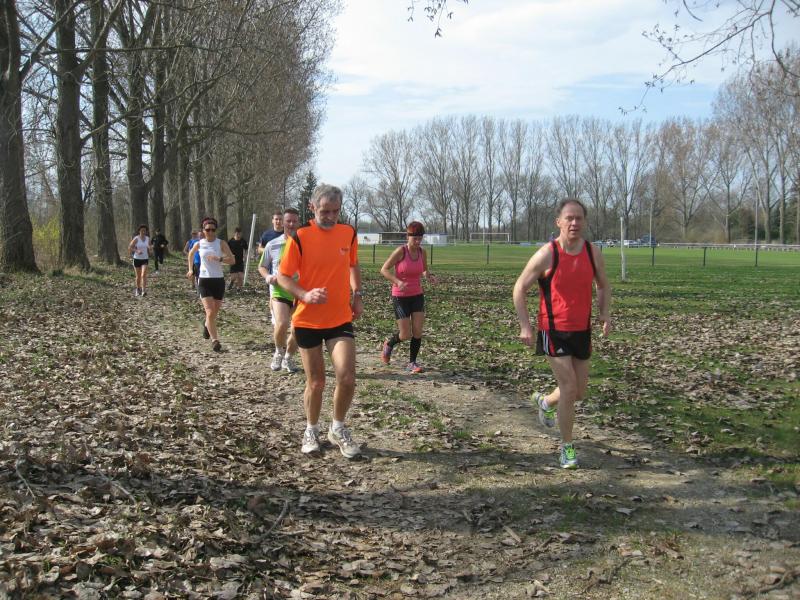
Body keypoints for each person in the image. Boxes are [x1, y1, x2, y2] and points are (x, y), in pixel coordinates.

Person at [513, 198, 611, 470]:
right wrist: (525, 325)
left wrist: (604, 313)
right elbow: (519, 287)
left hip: (582, 330)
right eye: (569, 218)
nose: (574, 222)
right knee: (568, 388)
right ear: (559, 222)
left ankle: (546, 402)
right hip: (553, 330)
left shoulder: (592, 252)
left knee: (579, 392)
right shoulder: (547, 254)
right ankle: (567, 448)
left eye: (579, 218)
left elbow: (603, 285)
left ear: (585, 221)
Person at [276, 184, 363, 459]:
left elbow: (353, 264)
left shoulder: (348, 233)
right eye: (325, 211)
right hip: (308, 321)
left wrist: (357, 294)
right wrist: (304, 294)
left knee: (347, 377)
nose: (331, 217)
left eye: (336, 211)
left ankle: (337, 428)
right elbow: (283, 276)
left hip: (339, 318)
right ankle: (311, 430)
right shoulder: (300, 237)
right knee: (316, 383)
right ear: (312, 207)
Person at [379, 221, 436, 373]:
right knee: (405, 334)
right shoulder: (401, 251)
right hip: (400, 297)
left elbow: (424, 270)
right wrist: (397, 282)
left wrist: (429, 276)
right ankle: (389, 344)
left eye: (420, 238)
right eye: (414, 238)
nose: (417, 242)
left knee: (417, 331)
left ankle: (412, 363)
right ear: (407, 236)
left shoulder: (422, 252)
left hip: (417, 295)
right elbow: (384, 270)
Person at [258, 209, 301, 373]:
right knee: (282, 323)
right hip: (279, 291)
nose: (291, 224)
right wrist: (268, 276)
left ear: (298, 223)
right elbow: (262, 266)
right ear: (282, 223)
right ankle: (278, 352)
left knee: (298, 329)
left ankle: (288, 357)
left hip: (299, 292)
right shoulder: (272, 244)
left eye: (294, 221)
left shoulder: (305, 244)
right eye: (288, 221)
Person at [187, 217, 234, 352]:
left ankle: (206, 324)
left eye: (213, 230)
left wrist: (219, 258)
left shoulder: (221, 243)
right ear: (203, 230)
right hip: (204, 280)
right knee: (210, 311)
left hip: (218, 280)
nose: (210, 232)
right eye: (208, 230)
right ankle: (215, 341)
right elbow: (190, 254)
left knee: (213, 314)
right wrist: (190, 270)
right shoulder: (199, 244)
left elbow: (232, 260)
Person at [128, 225, 153, 297]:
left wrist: (150, 249)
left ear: (146, 231)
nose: (143, 232)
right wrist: (137, 251)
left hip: (145, 259)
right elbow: (130, 247)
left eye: (145, 230)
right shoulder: (136, 238)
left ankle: (143, 290)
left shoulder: (148, 238)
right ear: (139, 231)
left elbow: (149, 247)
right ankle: (138, 289)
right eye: (142, 230)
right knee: (138, 276)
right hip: (137, 259)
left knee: (143, 274)